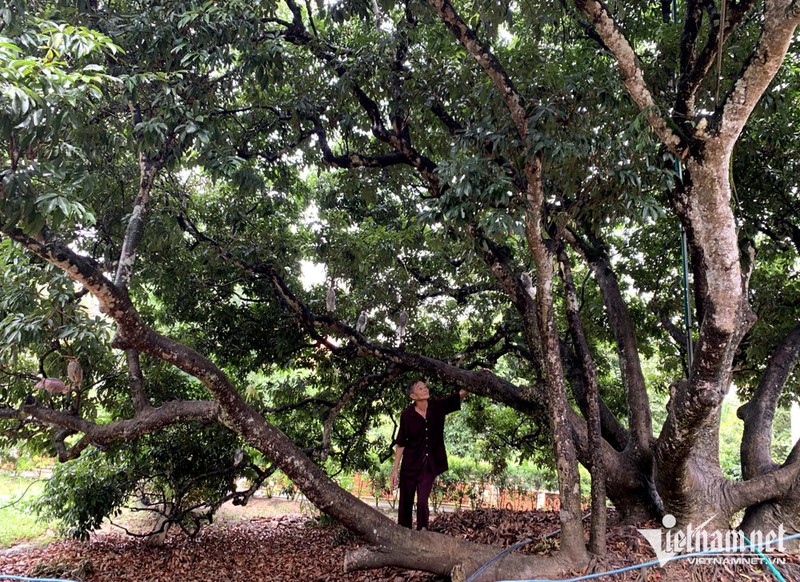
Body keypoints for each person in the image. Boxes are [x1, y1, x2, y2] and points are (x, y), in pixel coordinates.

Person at [390, 379, 468, 530]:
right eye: (420, 388)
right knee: (405, 502)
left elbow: (460, 395)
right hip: (410, 466)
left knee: (422, 502)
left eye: (425, 386)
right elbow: (401, 443)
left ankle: (422, 532)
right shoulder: (407, 415)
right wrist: (394, 470)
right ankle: (404, 534)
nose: (425, 389)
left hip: (430, 465)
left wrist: (477, 380)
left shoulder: (437, 406)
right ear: (413, 396)